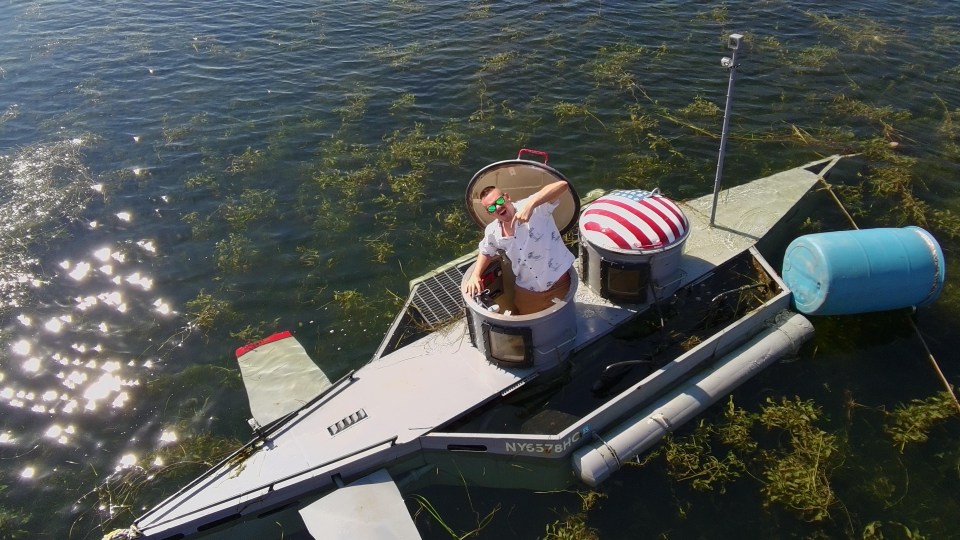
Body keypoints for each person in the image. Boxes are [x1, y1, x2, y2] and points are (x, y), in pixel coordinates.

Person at [463, 181, 575, 315]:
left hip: (559, 285)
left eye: (499, 200)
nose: (498, 207)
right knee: (531, 331)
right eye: (491, 208)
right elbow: (486, 251)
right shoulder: (493, 231)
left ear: (507, 197)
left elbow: (562, 185)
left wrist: (531, 205)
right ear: (489, 213)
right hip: (527, 292)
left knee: (564, 322)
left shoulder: (537, 208)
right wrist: (475, 275)